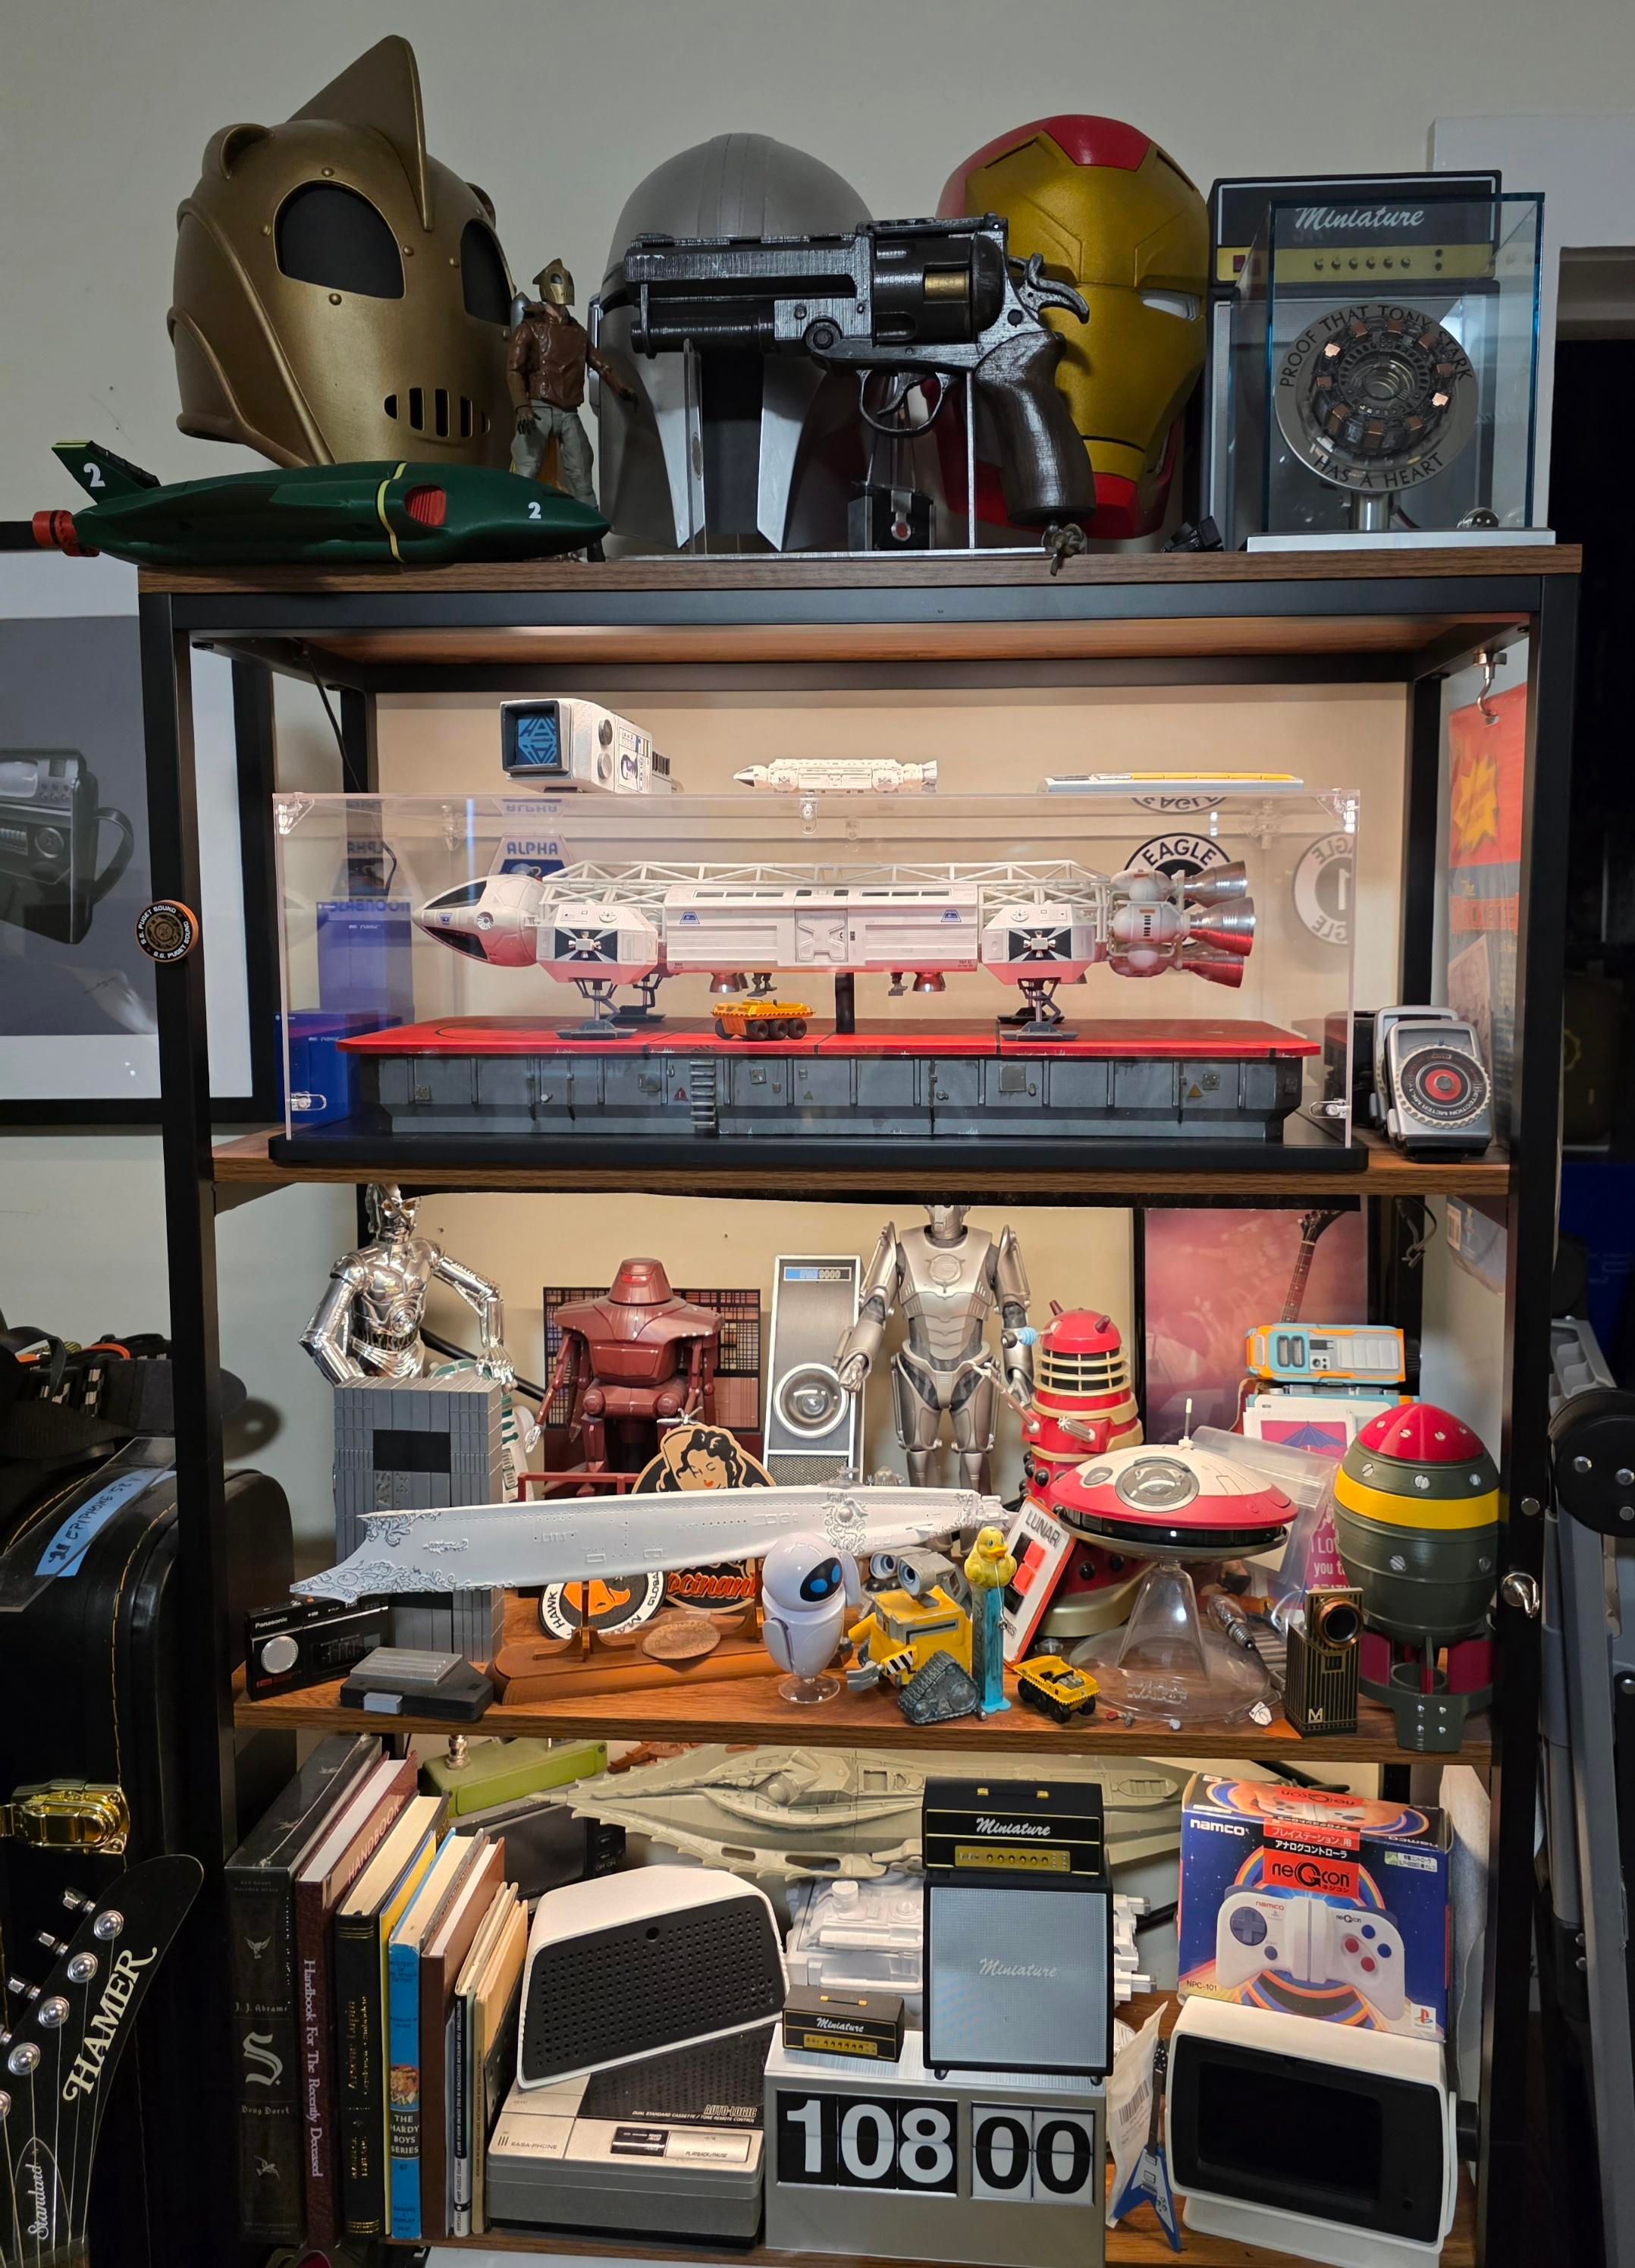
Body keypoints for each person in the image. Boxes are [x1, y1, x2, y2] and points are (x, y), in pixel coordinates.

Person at [507, 257, 636, 554]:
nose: (561, 305)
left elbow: (601, 364)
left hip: (568, 412)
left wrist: (622, 388)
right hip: (538, 409)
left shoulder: (577, 333)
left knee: (582, 476)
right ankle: (513, 535)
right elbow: (513, 370)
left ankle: (593, 542)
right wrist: (521, 406)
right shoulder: (529, 329)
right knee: (525, 471)